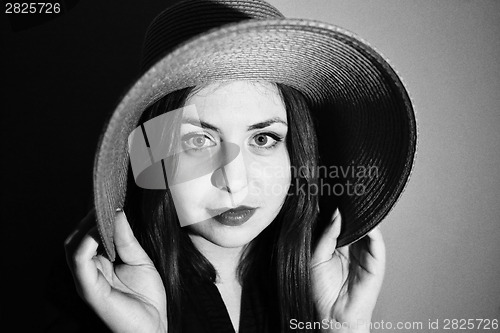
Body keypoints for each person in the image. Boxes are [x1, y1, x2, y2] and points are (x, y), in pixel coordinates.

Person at [65, 1, 417, 332]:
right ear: (152, 157)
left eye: (263, 139)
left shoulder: (323, 285)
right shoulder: (93, 300)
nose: (234, 181)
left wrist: (343, 327)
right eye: (197, 141)